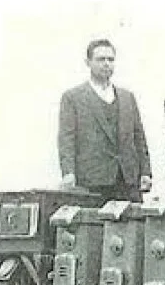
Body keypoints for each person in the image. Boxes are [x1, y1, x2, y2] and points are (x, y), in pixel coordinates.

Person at [58, 39, 152, 202]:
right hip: (92, 181)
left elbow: (139, 137)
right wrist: (68, 173)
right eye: (101, 59)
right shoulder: (73, 98)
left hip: (127, 182)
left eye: (110, 59)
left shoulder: (127, 97)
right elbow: (66, 139)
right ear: (88, 62)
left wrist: (145, 172)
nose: (106, 64)